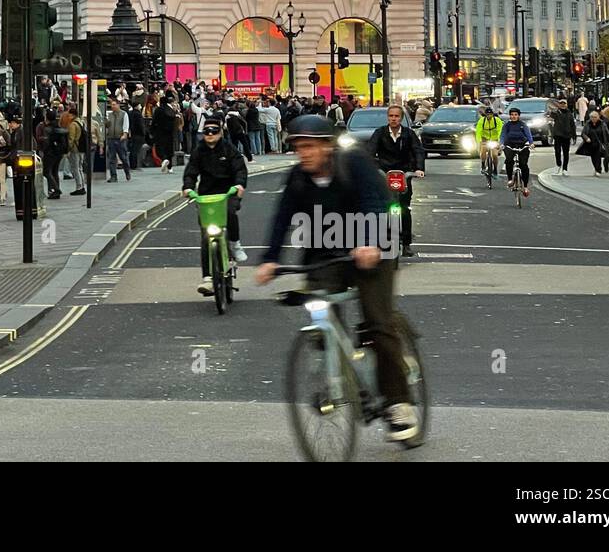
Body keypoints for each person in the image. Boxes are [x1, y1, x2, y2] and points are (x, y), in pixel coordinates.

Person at [255, 115, 418, 443]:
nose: (304, 153)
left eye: (310, 146)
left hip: (374, 248)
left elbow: (375, 203)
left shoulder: (353, 163)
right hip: (328, 252)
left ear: (328, 146)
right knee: (320, 311)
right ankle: (339, 363)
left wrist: (370, 242)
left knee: (377, 322)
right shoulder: (298, 178)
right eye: (299, 147)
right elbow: (282, 217)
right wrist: (270, 260)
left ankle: (400, 403)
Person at [182, 114, 248, 295]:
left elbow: (240, 169)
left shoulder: (229, 149)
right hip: (206, 195)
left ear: (220, 132)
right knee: (205, 236)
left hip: (228, 192)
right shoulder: (198, 151)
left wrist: (239, 184)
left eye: (214, 131)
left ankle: (235, 244)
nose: (210, 134)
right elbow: (191, 172)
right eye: (207, 131)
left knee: (230, 213)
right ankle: (208, 279)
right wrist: (188, 187)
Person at [367, 105, 426, 258]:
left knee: (405, 209)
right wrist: (371, 168)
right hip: (384, 174)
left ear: (401, 118)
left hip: (403, 174)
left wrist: (418, 168)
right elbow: (370, 151)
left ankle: (406, 244)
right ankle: (381, 241)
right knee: (380, 209)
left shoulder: (409, 134)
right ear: (388, 117)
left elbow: (418, 151)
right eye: (391, 116)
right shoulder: (379, 133)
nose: (393, 119)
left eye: (396, 116)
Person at [501, 107, 534, 197]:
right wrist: (501, 144)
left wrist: (531, 143)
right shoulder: (507, 125)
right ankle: (510, 180)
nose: (513, 116)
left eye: (515, 115)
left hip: (522, 146)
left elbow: (528, 135)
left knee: (524, 165)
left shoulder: (523, 125)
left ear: (519, 116)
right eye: (512, 115)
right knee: (509, 160)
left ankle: (526, 187)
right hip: (509, 145)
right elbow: (503, 135)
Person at [578, 108, 609, 177]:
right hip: (592, 144)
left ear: (598, 117)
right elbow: (583, 133)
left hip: (602, 143)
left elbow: (607, 133)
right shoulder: (588, 124)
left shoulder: (602, 124)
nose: (593, 118)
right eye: (592, 117)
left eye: (595, 117)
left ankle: (605, 166)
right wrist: (587, 138)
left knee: (607, 156)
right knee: (595, 157)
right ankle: (598, 169)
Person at [104, 97, 131, 183]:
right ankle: (113, 176)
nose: (112, 106)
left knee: (123, 157)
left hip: (120, 138)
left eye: (114, 104)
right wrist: (106, 121)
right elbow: (107, 126)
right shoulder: (109, 115)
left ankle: (127, 171)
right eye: (111, 105)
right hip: (111, 138)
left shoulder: (124, 114)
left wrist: (125, 134)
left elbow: (126, 125)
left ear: (118, 105)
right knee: (111, 158)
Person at [152, 93, 179, 172]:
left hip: (160, 132)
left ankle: (164, 159)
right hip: (170, 133)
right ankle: (170, 167)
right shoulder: (170, 110)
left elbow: (154, 121)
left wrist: (152, 130)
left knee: (160, 148)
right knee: (169, 149)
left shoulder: (158, 110)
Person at [550, 98, 576, 176]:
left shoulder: (569, 113)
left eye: (564, 103)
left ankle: (565, 168)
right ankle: (558, 165)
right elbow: (552, 115)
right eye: (561, 103)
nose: (563, 105)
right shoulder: (556, 112)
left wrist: (574, 136)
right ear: (559, 104)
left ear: (566, 104)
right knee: (557, 151)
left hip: (566, 135)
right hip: (557, 135)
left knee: (566, 153)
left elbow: (572, 125)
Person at [475, 105, 502, 177]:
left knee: (495, 155)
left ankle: (495, 169)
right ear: (485, 115)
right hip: (485, 139)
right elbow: (478, 131)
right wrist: (479, 141)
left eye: (490, 114)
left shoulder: (497, 120)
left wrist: (499, 140)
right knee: (483, 150)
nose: (489, 116)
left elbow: (500, 131)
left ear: (493, 114)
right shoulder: (482, 120)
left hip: (494, 139)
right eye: (487, 114)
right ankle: (483, 164)